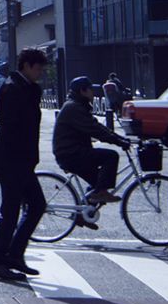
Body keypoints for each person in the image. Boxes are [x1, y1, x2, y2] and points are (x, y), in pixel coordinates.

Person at [0, 49, 49, 283]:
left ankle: (13, 255)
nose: (41, 72)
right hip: (10, 157)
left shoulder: (29, 88)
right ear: (26, 65)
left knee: (36, 205)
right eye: (38, 68)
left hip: (21, 159)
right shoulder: (12, 87)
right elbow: (8, 124)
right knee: (11, 210)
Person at [53, 77, 131, 222]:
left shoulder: (78, 105)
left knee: (99, 182)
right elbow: (95, 130)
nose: (93, 94)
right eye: (90, 90)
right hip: (70, 154)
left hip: (72, 152)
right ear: (83, 91)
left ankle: (80, 217)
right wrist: (117, 141)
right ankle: (100, 193)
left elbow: (97, 126)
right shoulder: (74, 108)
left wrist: (119, 138)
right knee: (111, 156)